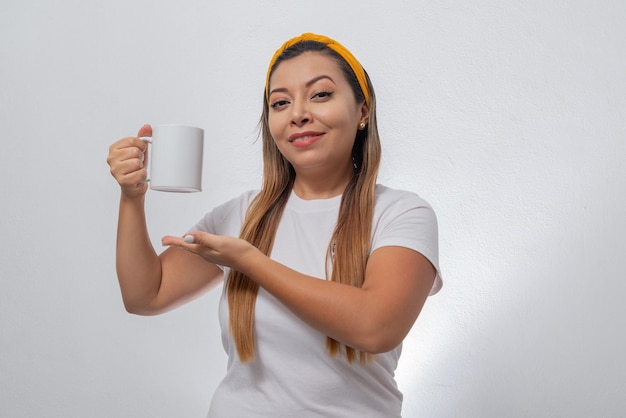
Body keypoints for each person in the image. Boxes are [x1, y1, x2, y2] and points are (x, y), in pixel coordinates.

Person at [107, 32, 442, 417]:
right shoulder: (243, 214)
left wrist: (251, 261)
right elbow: (144, 295)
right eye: (280, 102)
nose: (297, 113)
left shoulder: (401, 214)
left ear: (362, 111)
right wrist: (132, 198)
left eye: (320, 94)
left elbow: (376, 327)